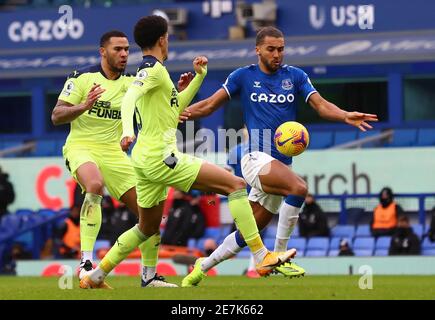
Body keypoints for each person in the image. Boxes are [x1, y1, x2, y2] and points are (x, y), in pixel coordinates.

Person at [80, 15, 294, 289]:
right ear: (162, 39)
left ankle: (96, 276)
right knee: (236, 185)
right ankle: (261, 256)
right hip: (161, 157)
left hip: (143, 161)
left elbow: (174, 110)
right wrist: (126, 130)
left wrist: (198, 79)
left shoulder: (156, 72)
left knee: (146, 227)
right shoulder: (152, 71)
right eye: (167, 38)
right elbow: (131, 97)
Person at [180, 26, 378, 286]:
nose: (277, 54)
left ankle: (200, 268)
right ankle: (277, 256)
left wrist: (344, 115)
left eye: (281, 49)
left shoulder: (295, 76)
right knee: (299, 188)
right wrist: (177, 110)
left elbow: (320, 105)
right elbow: (209, 105)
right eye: (271, 49)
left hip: (279, 163)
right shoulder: (243, 76)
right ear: (258, 49)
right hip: (254, 158)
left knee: (247, 233)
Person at [51, 30, 193, 287]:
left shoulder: (131, 83)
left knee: (148, 213)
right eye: (118, 49)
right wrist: (83, 106)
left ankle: (149, 276)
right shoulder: (82, 77)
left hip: (115, 153)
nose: (124, 54)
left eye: (127, 49)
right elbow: (57, 115)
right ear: (102, 51)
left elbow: (161, 107)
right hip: (81, 147)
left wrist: (175, 97)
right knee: (95, 185)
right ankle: (85, 262)